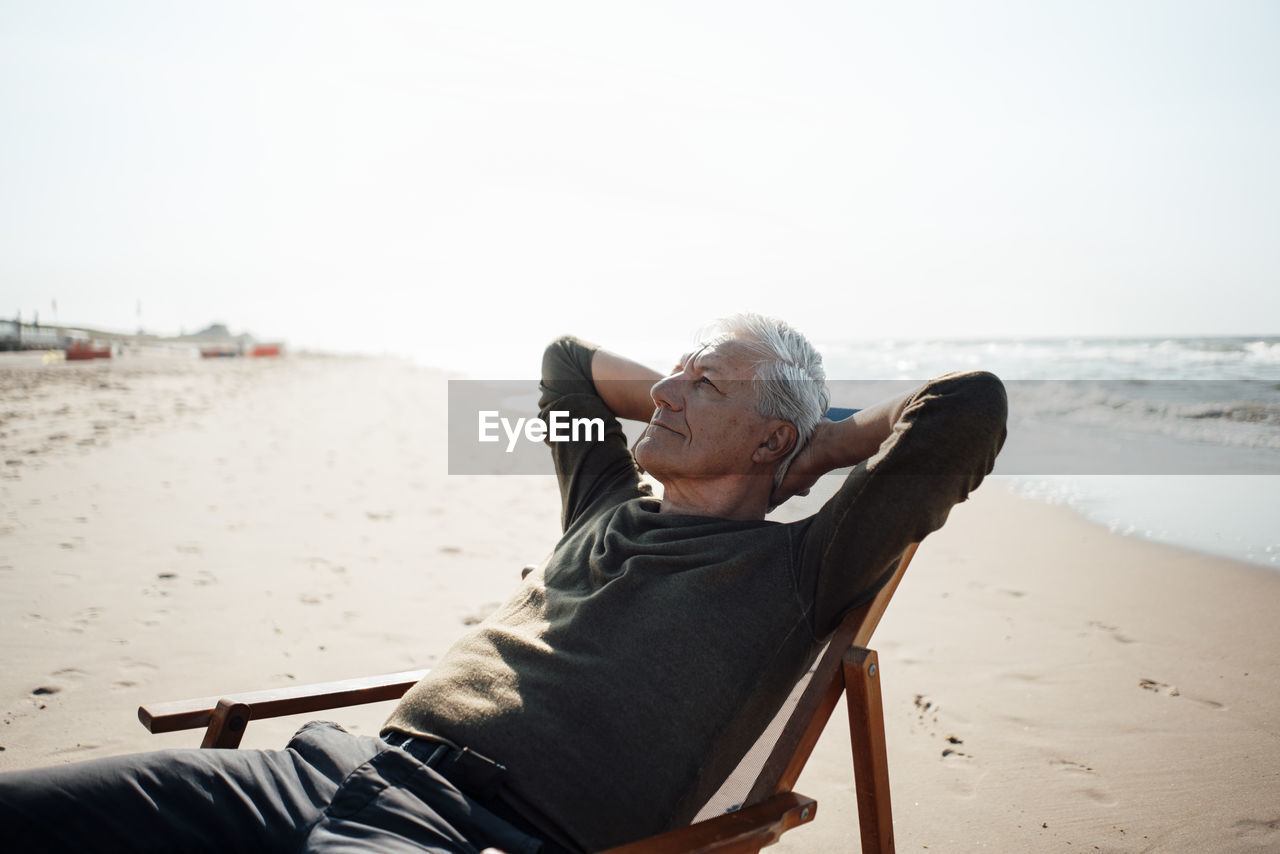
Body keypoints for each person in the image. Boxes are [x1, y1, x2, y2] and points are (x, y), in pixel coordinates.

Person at [0, 314, 1007, 853]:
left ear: (773, 436)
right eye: (672, 372)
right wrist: (702, 389)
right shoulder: (604, 504)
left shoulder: (799, 565)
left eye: (703, 384)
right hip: (322, 768)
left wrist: (825, 442)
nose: (660, 389)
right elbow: (565, 362)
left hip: (470, 832)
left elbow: (969, 405)